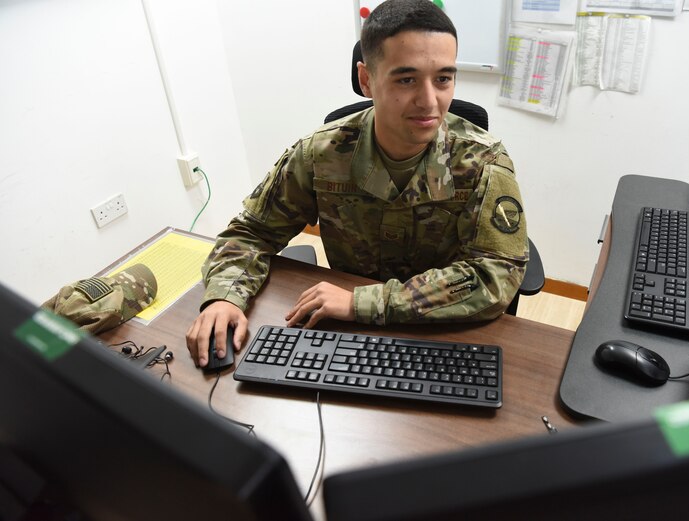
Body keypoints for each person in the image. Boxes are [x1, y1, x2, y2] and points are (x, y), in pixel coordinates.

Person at [186, 0, 528, 368]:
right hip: (345, 340)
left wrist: (362, 302)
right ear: (367, 80)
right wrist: (224, 297)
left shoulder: (484, 162)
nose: (430, 101)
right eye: (406, 79)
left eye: (443, 78)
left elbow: (496, 275)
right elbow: (252, 232)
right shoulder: (321, 154)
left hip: (441, 338)